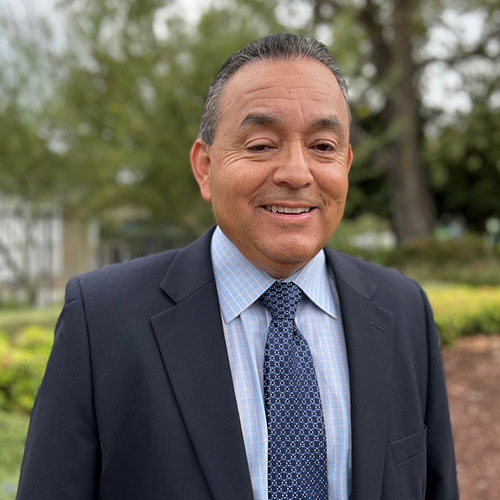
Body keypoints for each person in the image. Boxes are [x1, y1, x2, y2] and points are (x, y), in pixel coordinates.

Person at [17, 33, 458, 500]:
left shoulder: (403, 311)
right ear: (205, 167)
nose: (296, 173)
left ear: (346, 165)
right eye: (262, 145)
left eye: (323, 146)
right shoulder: (103, 321)